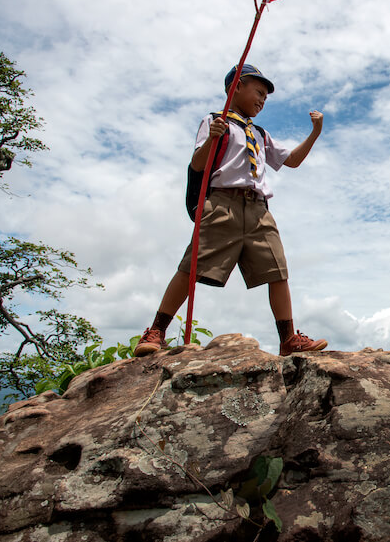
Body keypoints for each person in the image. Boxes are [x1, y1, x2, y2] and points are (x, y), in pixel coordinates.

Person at [133, 64, 328, 358]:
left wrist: (315, 134)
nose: (262, 100)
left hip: (259, 208)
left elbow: (291, 161)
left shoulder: (260, 134)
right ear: (236, 86)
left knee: (277, 271)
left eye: (266, 97)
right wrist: (213, 136)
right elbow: (198, 164)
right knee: (191, 266)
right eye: (258, 92)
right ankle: (156, 330)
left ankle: (288, 338)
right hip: (223, 203)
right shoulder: (215, 122)